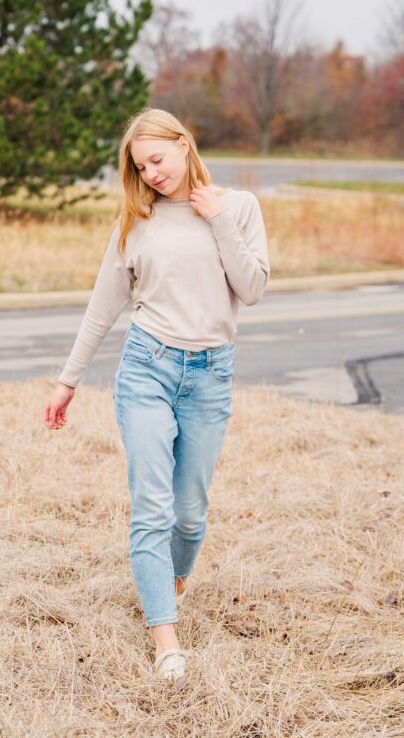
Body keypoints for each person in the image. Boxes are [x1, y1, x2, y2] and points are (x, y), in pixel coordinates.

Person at [42, 107, 270, 683]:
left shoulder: (238, 206)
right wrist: (68, 381)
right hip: (147, 369)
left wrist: (217, 218)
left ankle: (166, 590)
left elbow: (254, 288)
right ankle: (165, 640)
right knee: (152, 508)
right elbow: (103, 306)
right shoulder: (134, 222)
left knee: (190, 516)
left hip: (211, 375)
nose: (151, 174)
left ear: (184, 143)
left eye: (158, 160)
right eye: (141, 167)